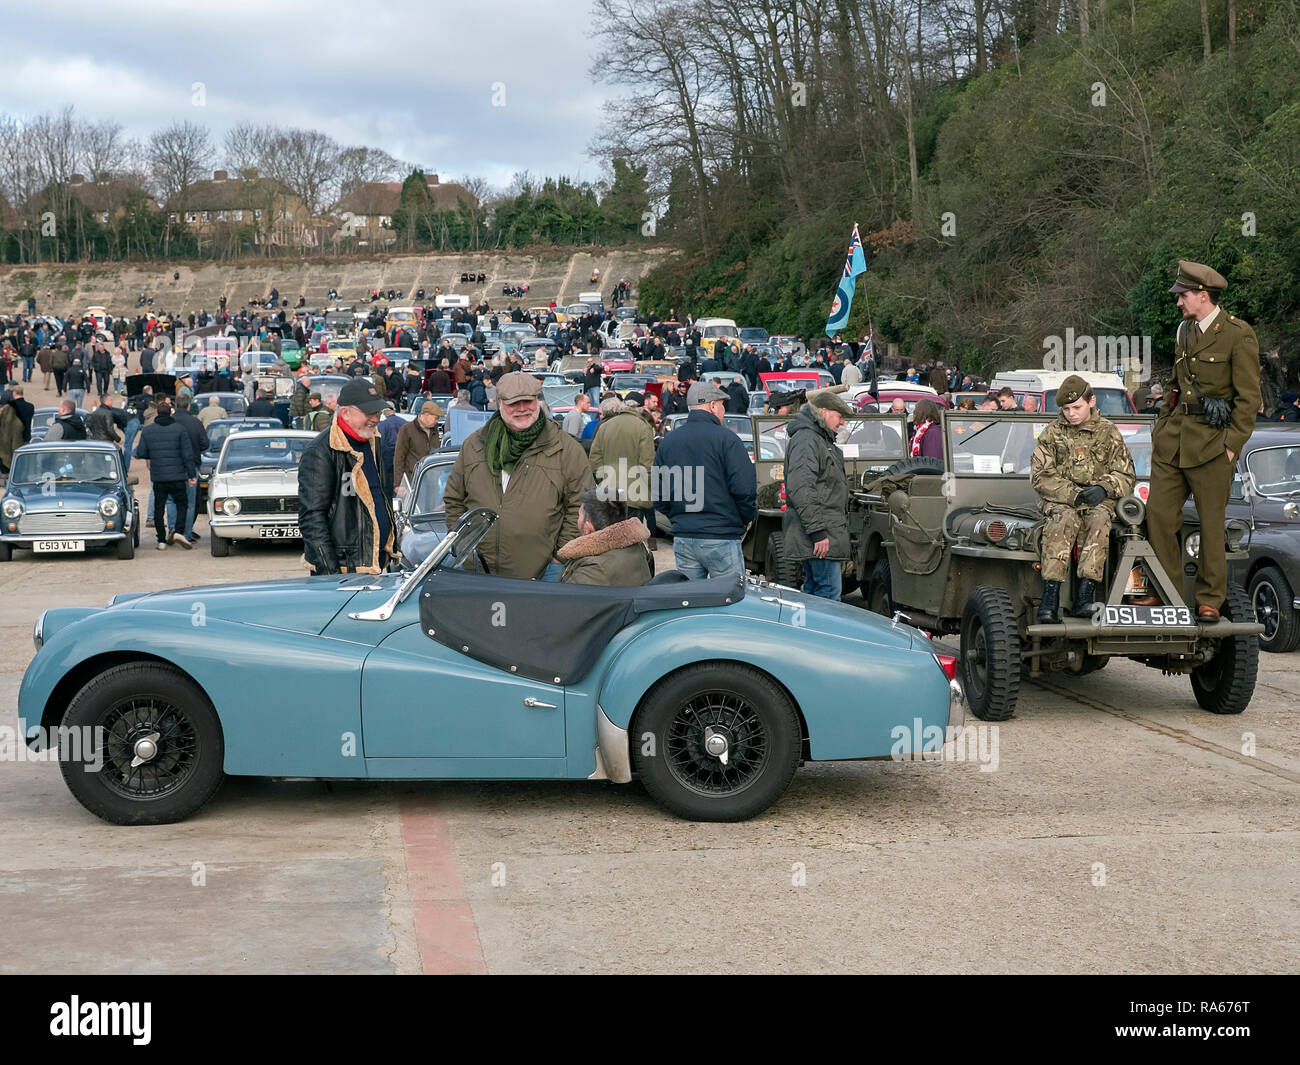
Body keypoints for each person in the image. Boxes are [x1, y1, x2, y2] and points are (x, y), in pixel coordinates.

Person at [1144, 260, 1261, 620]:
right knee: (1159, 516)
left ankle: (1210, 598)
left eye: (1183, 296)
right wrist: (1162, 426)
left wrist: (1232, 445)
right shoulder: (1183, 331)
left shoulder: (1237, 334)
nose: (1179, 303)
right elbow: (1177, 387)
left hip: (1213, 443)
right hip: (1174, 440)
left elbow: (1248, 399)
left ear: (1203, 295)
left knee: (1212, 523)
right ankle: (1168, 593)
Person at [443, 372, 593, 580]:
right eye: (514, 403)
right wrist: (465, 546)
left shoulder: (566, 449)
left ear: (537, 401)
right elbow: (453, 499)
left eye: (528, 401)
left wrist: (559, 555)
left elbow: (582, 504)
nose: (522, 408)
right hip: (477, 572)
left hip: (543, 574)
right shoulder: (475, 445)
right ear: (500, 403)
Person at [1030, 376, 1136, 621]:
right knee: (1063, 520)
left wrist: (1103, 488)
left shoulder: (1108, 432)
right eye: (1066, 409)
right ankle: (1050, 598)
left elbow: (1126, 474)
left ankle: (1085, 596)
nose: (1071, 414)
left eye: (1077, 407)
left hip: (1097, 500)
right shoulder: (1052, 433)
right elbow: (1040, 476)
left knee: (1099, 520)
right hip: (1061, 500)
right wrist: (1072, 494)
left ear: (1092, 401)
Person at [653, 381, 756, 581]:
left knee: (691, 604)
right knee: (731, 603)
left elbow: (659, 495)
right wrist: (742, 520)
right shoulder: (727, 439)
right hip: (721, 535)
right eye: (722, 405)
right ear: (712, 406)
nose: (724, 411)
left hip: (685, 535)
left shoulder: (669, 442)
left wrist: (678, 519)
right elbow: (745, 489)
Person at [298, 377, 395, 574]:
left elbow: (380, 498)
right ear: (345, 413)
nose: (376, 418)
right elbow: (312, 517)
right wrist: (331, 574)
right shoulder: (321, 451)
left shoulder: (373, 442)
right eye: (369, 412)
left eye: (377, 412)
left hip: (375, 565)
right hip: (344, 571)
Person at [782, 390, 855, 600]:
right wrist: (818, 533)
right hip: (821, 537)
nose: (842, 423)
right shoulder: (808, 440)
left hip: (821, 533)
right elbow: (802, 488)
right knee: (828, 596)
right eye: (839, 416)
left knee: (815, 594)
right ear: (823, 412)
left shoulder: (816, 439)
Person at [556, 484, 653, 586]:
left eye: (579, 514)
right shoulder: (640, 548)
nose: (578, 519)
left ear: (588, 527)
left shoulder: (592, 569)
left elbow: (568, 600)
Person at [134, 398, 196, 550]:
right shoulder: (179, 429)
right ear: (171, 413)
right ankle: (179, 531)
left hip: (159, 475)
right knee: (182, 504)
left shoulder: (148, 431)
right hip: (178, 475)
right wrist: (191, 474)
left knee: (159, 508)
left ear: (156, 413)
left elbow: (141, 452)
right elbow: (187, 454)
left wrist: (154, 454)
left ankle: (161, 540)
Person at [590, 395, 656, 532]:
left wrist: (604, 480)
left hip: (609, 493)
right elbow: (647, 466)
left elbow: (594, 460)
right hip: (634, 495)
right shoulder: (643, 427)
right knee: (630, 540)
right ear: (639, 409)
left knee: (610, 538)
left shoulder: (605, 426)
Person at [395, 401, 442, 489]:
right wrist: (398, 483)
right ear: (427, 414)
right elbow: (399, 457)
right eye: (436, 418)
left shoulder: (434, 430)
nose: (437, 421)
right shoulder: (406, 430)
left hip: (432, 480)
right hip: (413, 481)